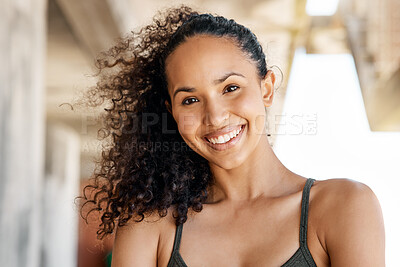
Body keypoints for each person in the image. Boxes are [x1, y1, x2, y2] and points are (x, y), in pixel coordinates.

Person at [79, 5, 385, 267]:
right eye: (190, 100)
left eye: (230, 88)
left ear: (266, 88)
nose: (215, 117)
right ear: (171, 111)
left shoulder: (344, 207)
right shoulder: (148, 226)